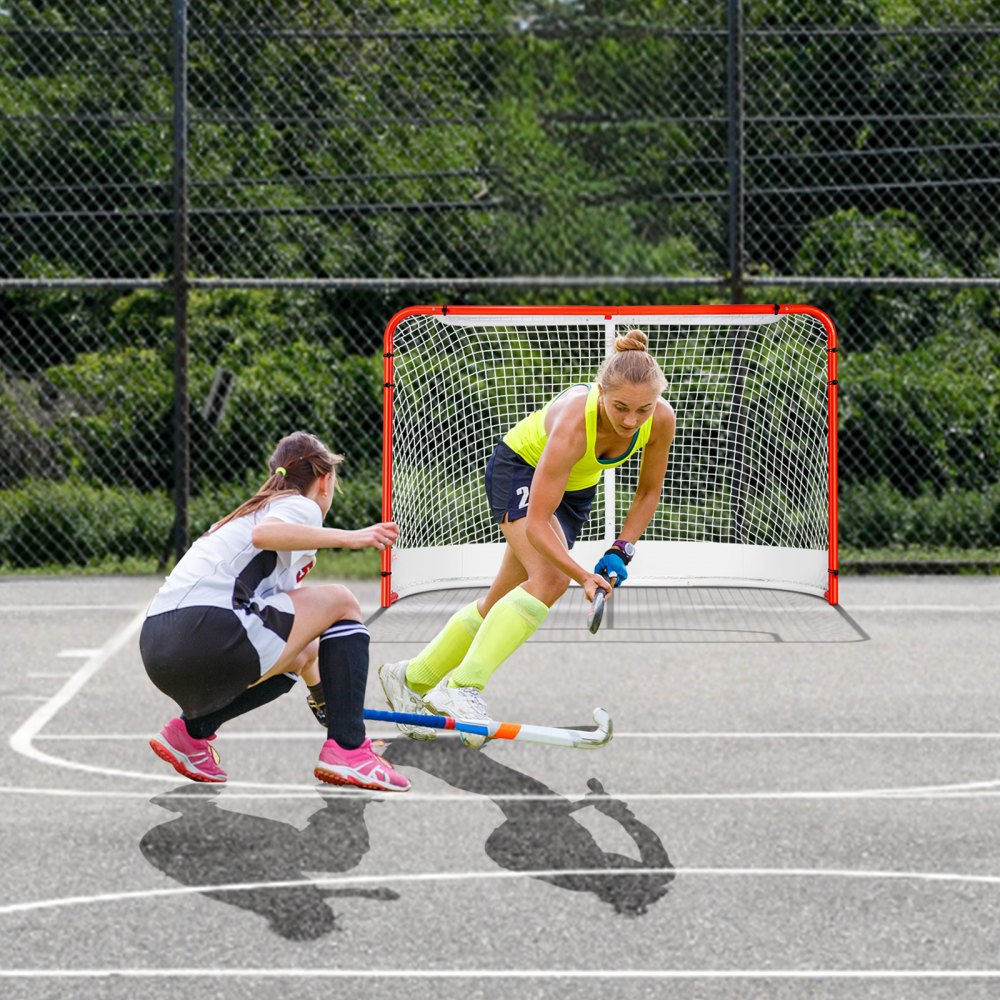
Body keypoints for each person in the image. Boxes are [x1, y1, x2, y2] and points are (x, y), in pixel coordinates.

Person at [379, 328, 675, 747]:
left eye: (642, 410)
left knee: (500, 600)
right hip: (520, 470)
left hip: (574, 490)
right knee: (550, 579)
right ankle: (462, 687)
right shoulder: (576, 421)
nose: (630, 421)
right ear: (601, 391)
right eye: (620, 407)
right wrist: (581, 576)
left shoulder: (660, 419)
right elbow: (537, 525)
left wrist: (620, 550)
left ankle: (410, 678)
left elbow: (649, 491)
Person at [140, 430, 409, 792]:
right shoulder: (299, 505)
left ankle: (189, 734)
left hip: (160, 646)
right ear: (325, 480)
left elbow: (303, 648)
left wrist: (333, 707)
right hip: (206, 632)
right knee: (343, 601)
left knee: (303, 652)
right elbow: (265, 535)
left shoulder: (248, 512)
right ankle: (349, 750)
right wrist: (351, 536)